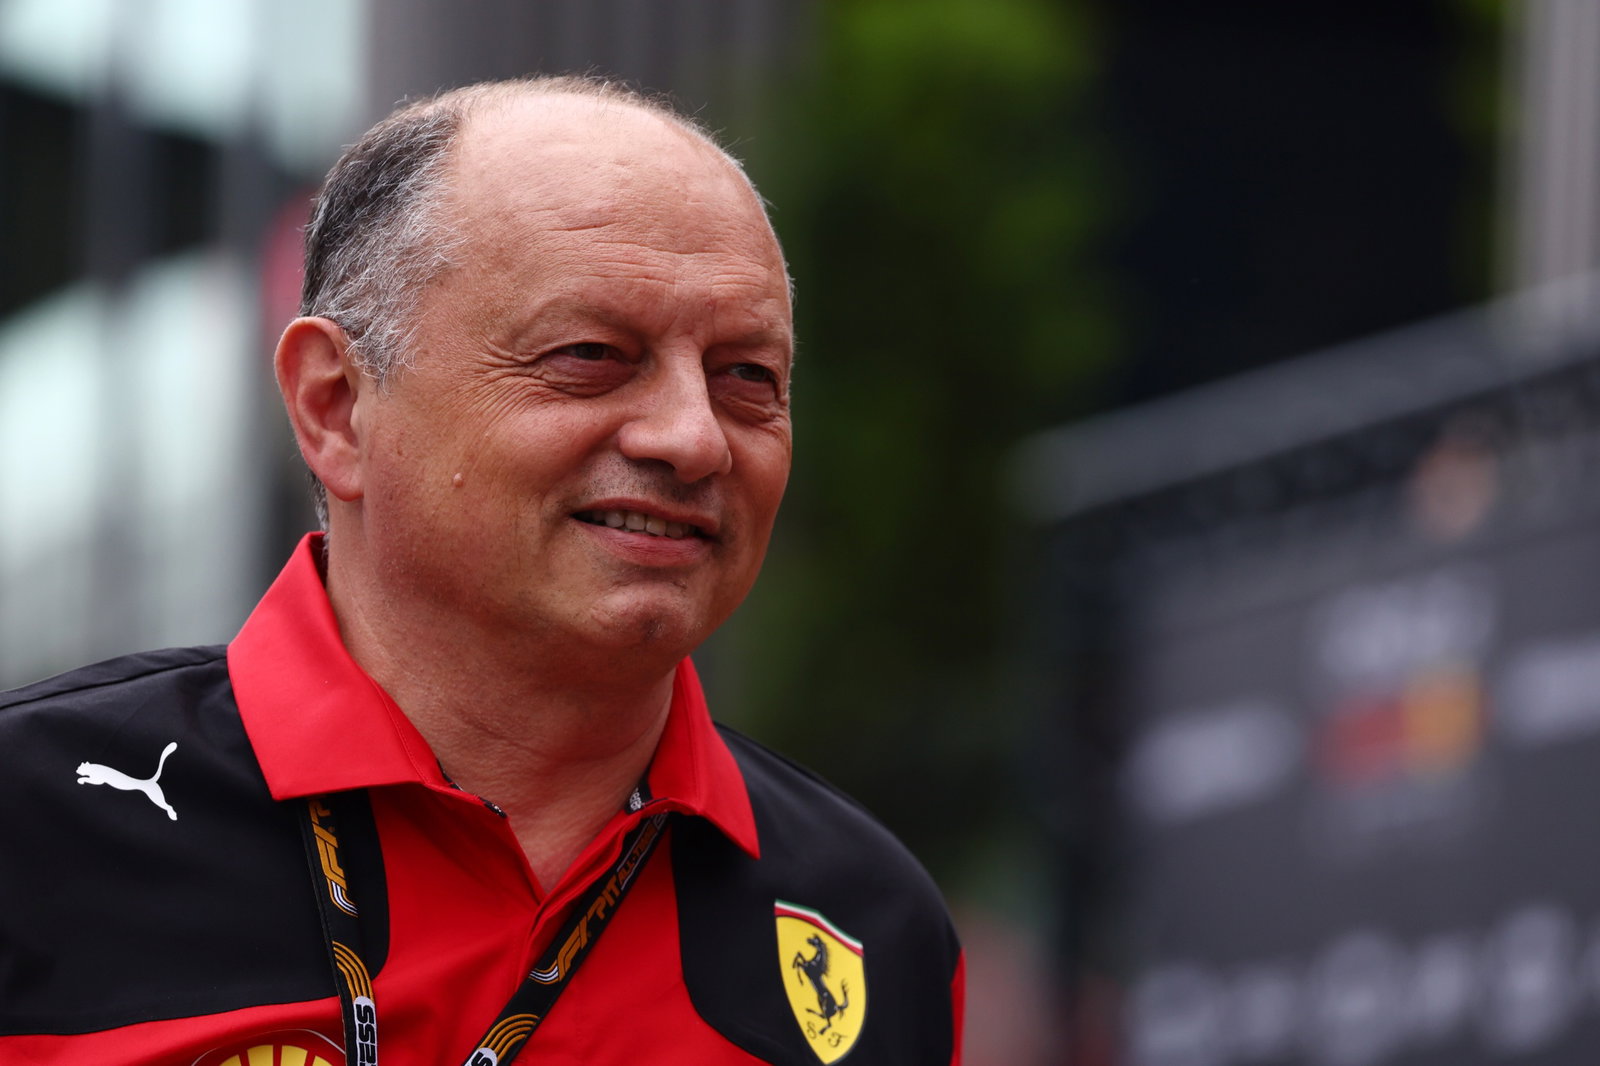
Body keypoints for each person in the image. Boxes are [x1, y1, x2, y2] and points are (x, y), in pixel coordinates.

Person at [0, 76, 963, 1065]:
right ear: (335, 406)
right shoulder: (32, 824)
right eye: (591, 353)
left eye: (746, 377)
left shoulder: (869, 921)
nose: (694, 438)